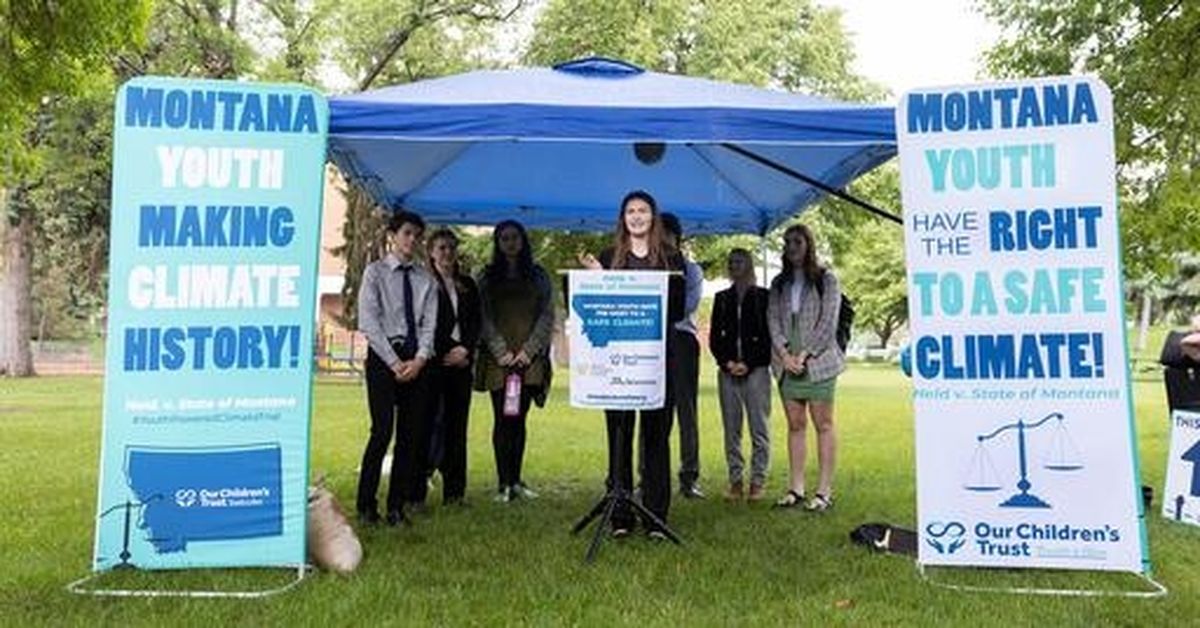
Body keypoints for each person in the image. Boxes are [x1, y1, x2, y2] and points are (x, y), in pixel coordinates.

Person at [579, 190, 686, 538]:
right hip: (617, 364)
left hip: (656, 363)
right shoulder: (609, 257)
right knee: (619, 435)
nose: (637, 216)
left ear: (653, 217)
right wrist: (600, 278)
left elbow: (678, 309)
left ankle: (656, 516)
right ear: (623, 218)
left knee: (656, 437)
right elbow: (597, 308)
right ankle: (620, 514)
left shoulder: (671, 257)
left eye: (643, 210)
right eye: (630, 211)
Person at [355, 210, 439, 526]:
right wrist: (393, 362)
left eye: (417, 235)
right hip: (383, 357)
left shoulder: (425, 279)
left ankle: (396, 507)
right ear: (392, 236)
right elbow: (368, 321)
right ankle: (366, 505)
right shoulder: (375, 273)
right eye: (406, 233)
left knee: (409, 436)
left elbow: (430, 325)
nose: (412, 240)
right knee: (381, 432)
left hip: (416, 360)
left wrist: (419, 359)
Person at [767, 223, 845, 512]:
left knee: (823, 425)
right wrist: (785, 355)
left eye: (797, 242)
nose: (792, 247)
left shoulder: (827, 279)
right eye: (787, 242)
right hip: (787, 363)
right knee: (795, 425)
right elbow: (773, 320)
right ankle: (796, 489)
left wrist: (804, 354)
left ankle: (824, 491)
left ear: (808, 245)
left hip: (819, 362)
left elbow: (828, 322)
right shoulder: (779, 283)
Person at [475, 220, 554, 503]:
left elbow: (547, 315)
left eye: (515, 237)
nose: (511, 243)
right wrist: (501, 351)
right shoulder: (486, 277)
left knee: (519, 419)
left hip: (528, 362)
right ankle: (503, 483)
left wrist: (529, 350)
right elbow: (482, 316)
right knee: (503, 419)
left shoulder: (538, 275)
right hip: (499, 362)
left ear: (523, 241)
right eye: (505, 238)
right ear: (498, 243)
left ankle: (516, 481)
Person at [709, 248, 772, 501]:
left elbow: (769, 337)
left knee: (759, 427)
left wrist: (748, 363)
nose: (734, 266)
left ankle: (758, 481)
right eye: (731, 262)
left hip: (756, 372)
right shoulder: (722, 298)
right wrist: (727, 363)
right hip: (727, 372)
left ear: (749, 266)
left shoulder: (763, 297)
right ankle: (735, 480)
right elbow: (714, 338)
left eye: (740, 262)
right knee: (731, 429)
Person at [425, 229, 481, 505]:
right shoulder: (425, 282)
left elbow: (476, 321)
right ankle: (423, 476)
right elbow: (426, 324)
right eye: (442, 248)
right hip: (436, 362)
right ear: (431, 252)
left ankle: (455, 492)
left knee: (458, 427)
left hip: (462, 364)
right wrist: (450, 349)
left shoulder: (467, 284)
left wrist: (466, 349)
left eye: (451, 247)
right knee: (433, 423)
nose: (447, 252)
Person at [657, 212, 705, 499]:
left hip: (682, 341)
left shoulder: (692, 270)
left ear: (676, 236)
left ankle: (689, 476)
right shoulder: (648, 266)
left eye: (664, 232)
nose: (660, 238)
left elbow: (687, 306)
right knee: (652, 410)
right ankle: (648, 475)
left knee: (686, 411)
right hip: (653, 343)